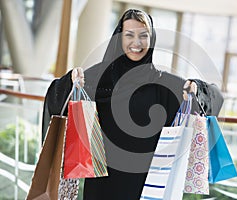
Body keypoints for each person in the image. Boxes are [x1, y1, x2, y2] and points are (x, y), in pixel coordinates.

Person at [42, 9, 224, 200]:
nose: (136, 43)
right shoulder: (96, 78)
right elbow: (56, 100)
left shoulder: (165, 85)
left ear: (151, 40)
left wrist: (197, 87)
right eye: (129, 35)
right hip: (101, 184)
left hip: (146, 187)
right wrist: (70, 82)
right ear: (119, 39)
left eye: (143, 36)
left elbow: (215, 97)